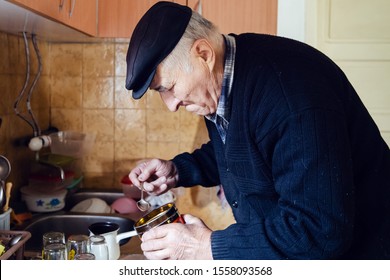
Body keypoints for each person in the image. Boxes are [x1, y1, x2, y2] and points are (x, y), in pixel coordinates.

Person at [125, 1, 390, 260]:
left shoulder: (289, 95)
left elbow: (318, 230)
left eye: (167, 87)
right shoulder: (224, 79)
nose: (170, 105)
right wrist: (178, 170)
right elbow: (245, 150)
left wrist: (206, 247)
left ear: (203, 54)